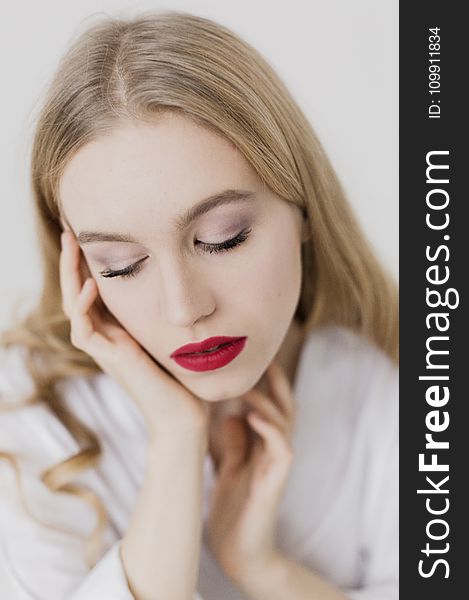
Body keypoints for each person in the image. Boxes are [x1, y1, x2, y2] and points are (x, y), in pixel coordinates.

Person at [0, 10, 398, 600]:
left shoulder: (393, 390)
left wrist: (263, 568)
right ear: (80, 266)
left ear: (303, 208)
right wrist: (175, 440)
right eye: (121, 265)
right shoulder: (27, 419)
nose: (185, 308)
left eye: (223, 237)